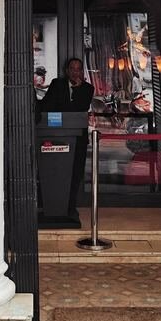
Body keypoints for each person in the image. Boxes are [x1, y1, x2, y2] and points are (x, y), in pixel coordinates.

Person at [37, 58, 95, 217]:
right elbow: (48, 106)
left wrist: (76, 90)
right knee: (55, 171)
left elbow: (79, 109)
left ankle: (70, 206)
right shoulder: (57, 84)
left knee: (75, 172)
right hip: (56, 135)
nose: (75, 72)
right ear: (67, 70)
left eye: (78, 69)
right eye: (72, 69)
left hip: (78, 139)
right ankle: (52, 205)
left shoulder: (88, 88)